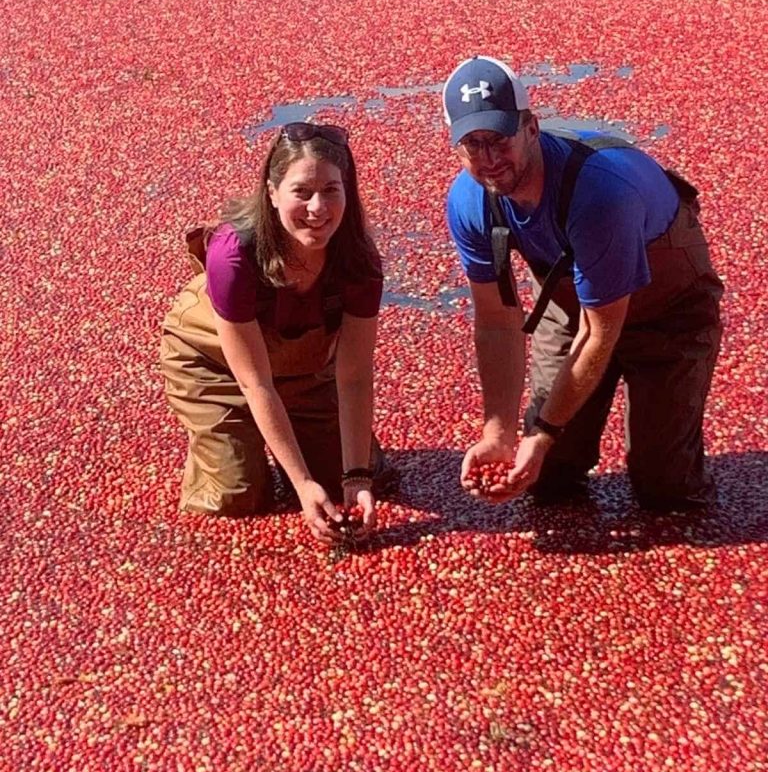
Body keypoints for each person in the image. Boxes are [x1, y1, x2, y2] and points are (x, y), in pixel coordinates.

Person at [442, 55, 723, 512]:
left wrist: (545, 432)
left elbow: (601, 333)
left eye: (499, 139)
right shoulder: (470, 202)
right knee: (546, 476)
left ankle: (669, 449)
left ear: (531, 127)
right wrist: (499, 431)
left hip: (667, 311)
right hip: (573, 302)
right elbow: (496, 321)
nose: (490, 159)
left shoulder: (599, 193)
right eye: (473, 145)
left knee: (664, 489)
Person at [160, 121, 393, 542]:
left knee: (358, 475)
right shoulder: (234, 256)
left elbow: (355, 376)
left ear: (348, 192)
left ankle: (294, 447)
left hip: (300, 371)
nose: (317, 208)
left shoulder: (359, 262)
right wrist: (302, 485)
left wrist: (357, 476)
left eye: (331, 191)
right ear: (272, 193)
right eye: (301, 191)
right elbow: (254, 382)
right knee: (238, 496)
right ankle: (224, 437)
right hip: (214, 366)